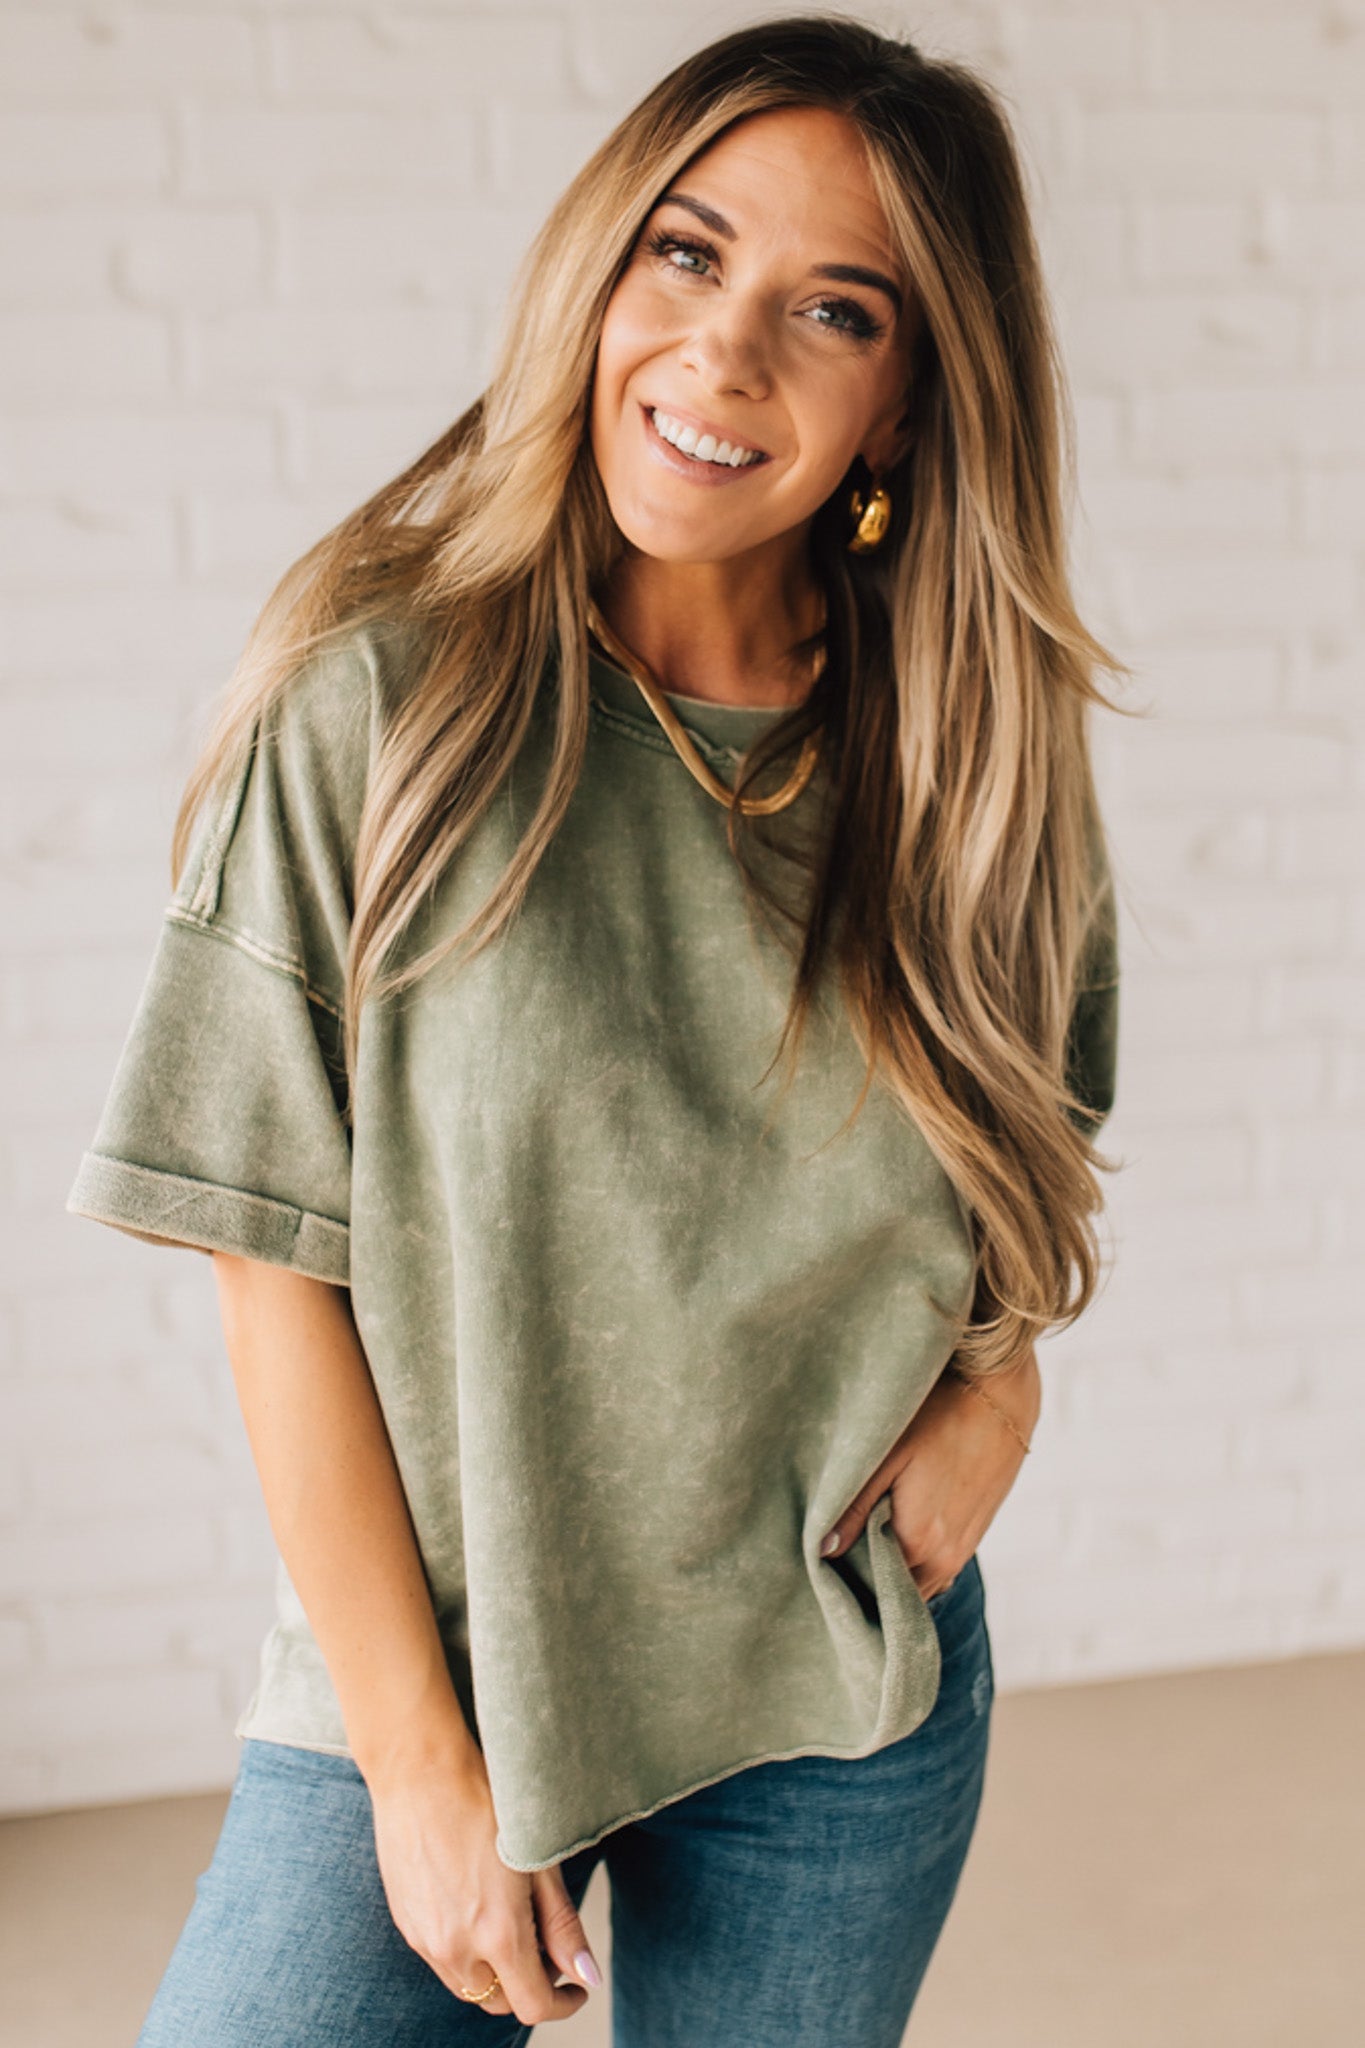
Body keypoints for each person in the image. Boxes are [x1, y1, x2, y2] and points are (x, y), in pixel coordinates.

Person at [67, 15, 1123, 2045]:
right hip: (440, 1661)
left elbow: (1031, 1130)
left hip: (829, 1684)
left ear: (906, 404)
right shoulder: (380, 701)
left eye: (832, 310)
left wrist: (994, 1388)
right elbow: (264, 1246)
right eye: (683, 253)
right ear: (595, 269)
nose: (723, 357)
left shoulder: (978, 749)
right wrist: (420, 1771)